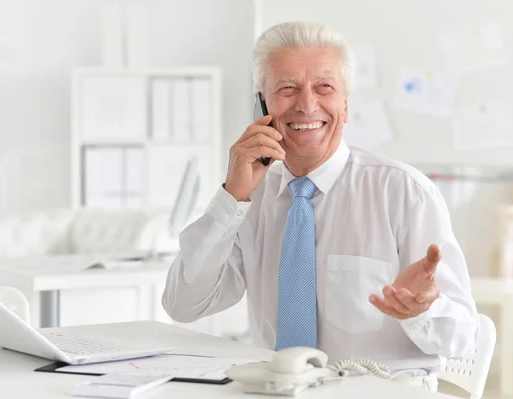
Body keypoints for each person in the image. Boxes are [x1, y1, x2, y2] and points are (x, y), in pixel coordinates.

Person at [161, 21, 479, 391]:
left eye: (324, 87)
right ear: (261, 103)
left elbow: (463, 337)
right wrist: (230, 198)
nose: (307, 104)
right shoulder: (251, 197)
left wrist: (423, 310)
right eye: (286, 88)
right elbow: (183, 305)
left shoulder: (404, 193)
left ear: (345, 105)